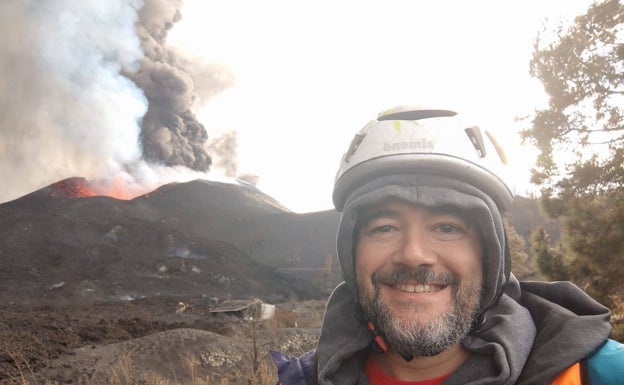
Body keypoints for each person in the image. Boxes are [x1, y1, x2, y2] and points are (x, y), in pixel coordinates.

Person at [271, 106, 624, 384]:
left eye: (447, 227)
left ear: (491, 254)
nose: (414, 254)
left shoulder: (598, 374)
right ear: (351, 252)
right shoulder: (304, 379)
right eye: (384, 228)